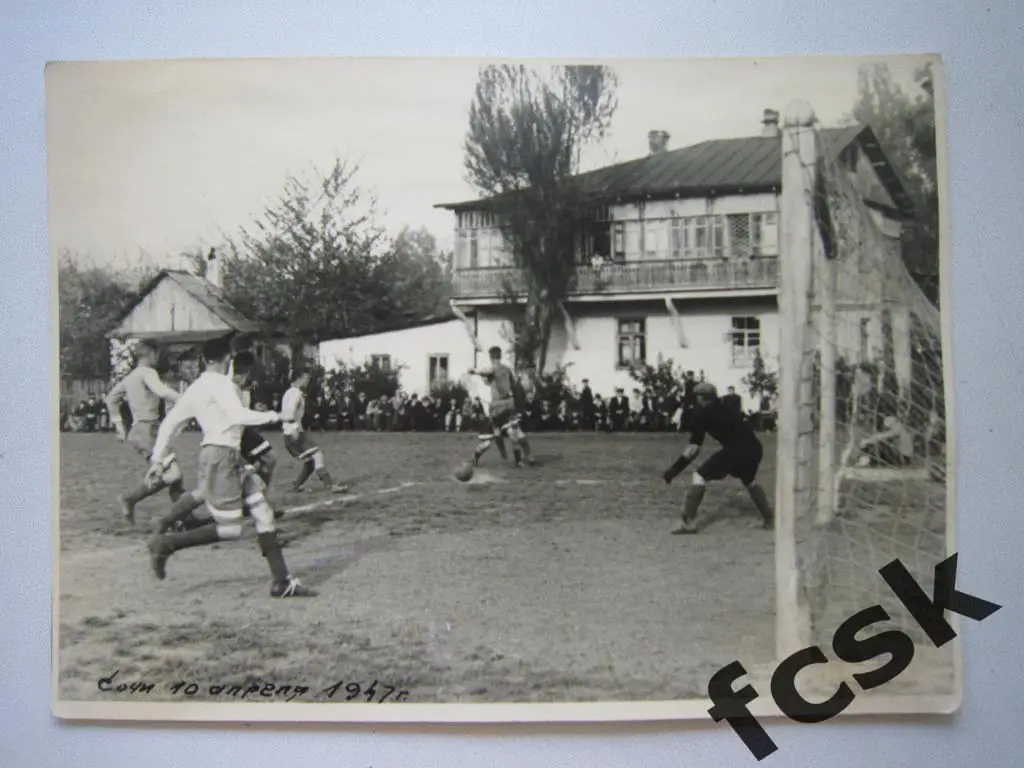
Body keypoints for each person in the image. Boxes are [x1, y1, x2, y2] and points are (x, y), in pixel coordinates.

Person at [144, 337, 316, 598]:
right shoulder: (223, 383)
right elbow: (238, 415)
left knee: (263, 513)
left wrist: (157, 459)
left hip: (224, 455)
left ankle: (281, 582)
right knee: (231, 529)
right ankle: (166, 543)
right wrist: (277, 415)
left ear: (204, 359)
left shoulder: (196, 387)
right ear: (227, 359)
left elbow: (170, 423)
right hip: (222, 456)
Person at [662, 382, 773, 534]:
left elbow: (693, 449)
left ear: (701, 398)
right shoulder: (727, 406)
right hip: (754, 447)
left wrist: (674, 470)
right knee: (749, 481)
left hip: (736, 449)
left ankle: (688, 523)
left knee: (699, 477)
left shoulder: (702, 414)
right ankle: (770, 520)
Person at [104, 340, 186, 526]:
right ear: (151, 354)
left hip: (141, 431)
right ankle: (130, 498)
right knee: (173, 474)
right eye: (157, 354)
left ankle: (183, 518)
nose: (158, 358)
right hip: (148, 431)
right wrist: (187, 399)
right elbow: (162, 391)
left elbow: (111, 399)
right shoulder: (148, 373)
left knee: (175, 478)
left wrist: (119, 426)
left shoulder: (130, 376)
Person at [281, 369, 348, 494]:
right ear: (298, 378)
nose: (307, 381)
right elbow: (290, 412)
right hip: (294, 432)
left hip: (289, 432)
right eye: (306, 378)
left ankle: (296, 486)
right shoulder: (296, 393)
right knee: (318, 455)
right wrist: (295, 428)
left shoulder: (288, 392)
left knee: (311, 461)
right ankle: (330, 485)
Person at [469, 347, 534, 468]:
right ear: (500, 355)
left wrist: (473, 371)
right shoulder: (507, 370)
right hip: (507, 404)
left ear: (490, 357)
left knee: (489, 441)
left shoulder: (493, 369)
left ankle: (475, 457)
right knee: (514, 434)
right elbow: (515, 385)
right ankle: (524, 458)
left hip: (496, 407)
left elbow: (487, 373)